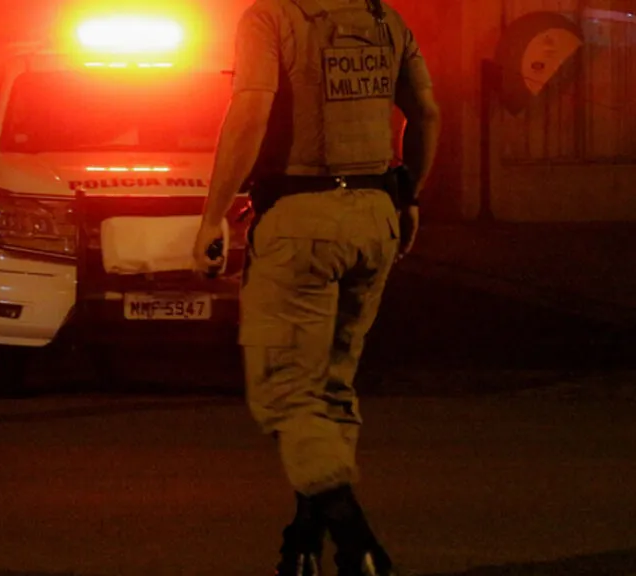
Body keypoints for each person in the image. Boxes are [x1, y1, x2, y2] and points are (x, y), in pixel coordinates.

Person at [193, 0, 440, 574]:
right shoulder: (384, 19)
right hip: (375, 215)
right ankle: (305, 538)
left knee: (288, 394)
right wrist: (412, 197)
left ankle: (359, 544)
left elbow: (251, 112)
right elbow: (425, 112)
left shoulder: (271, 19)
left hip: (302, 221)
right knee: (330, 389)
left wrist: (212, 216)